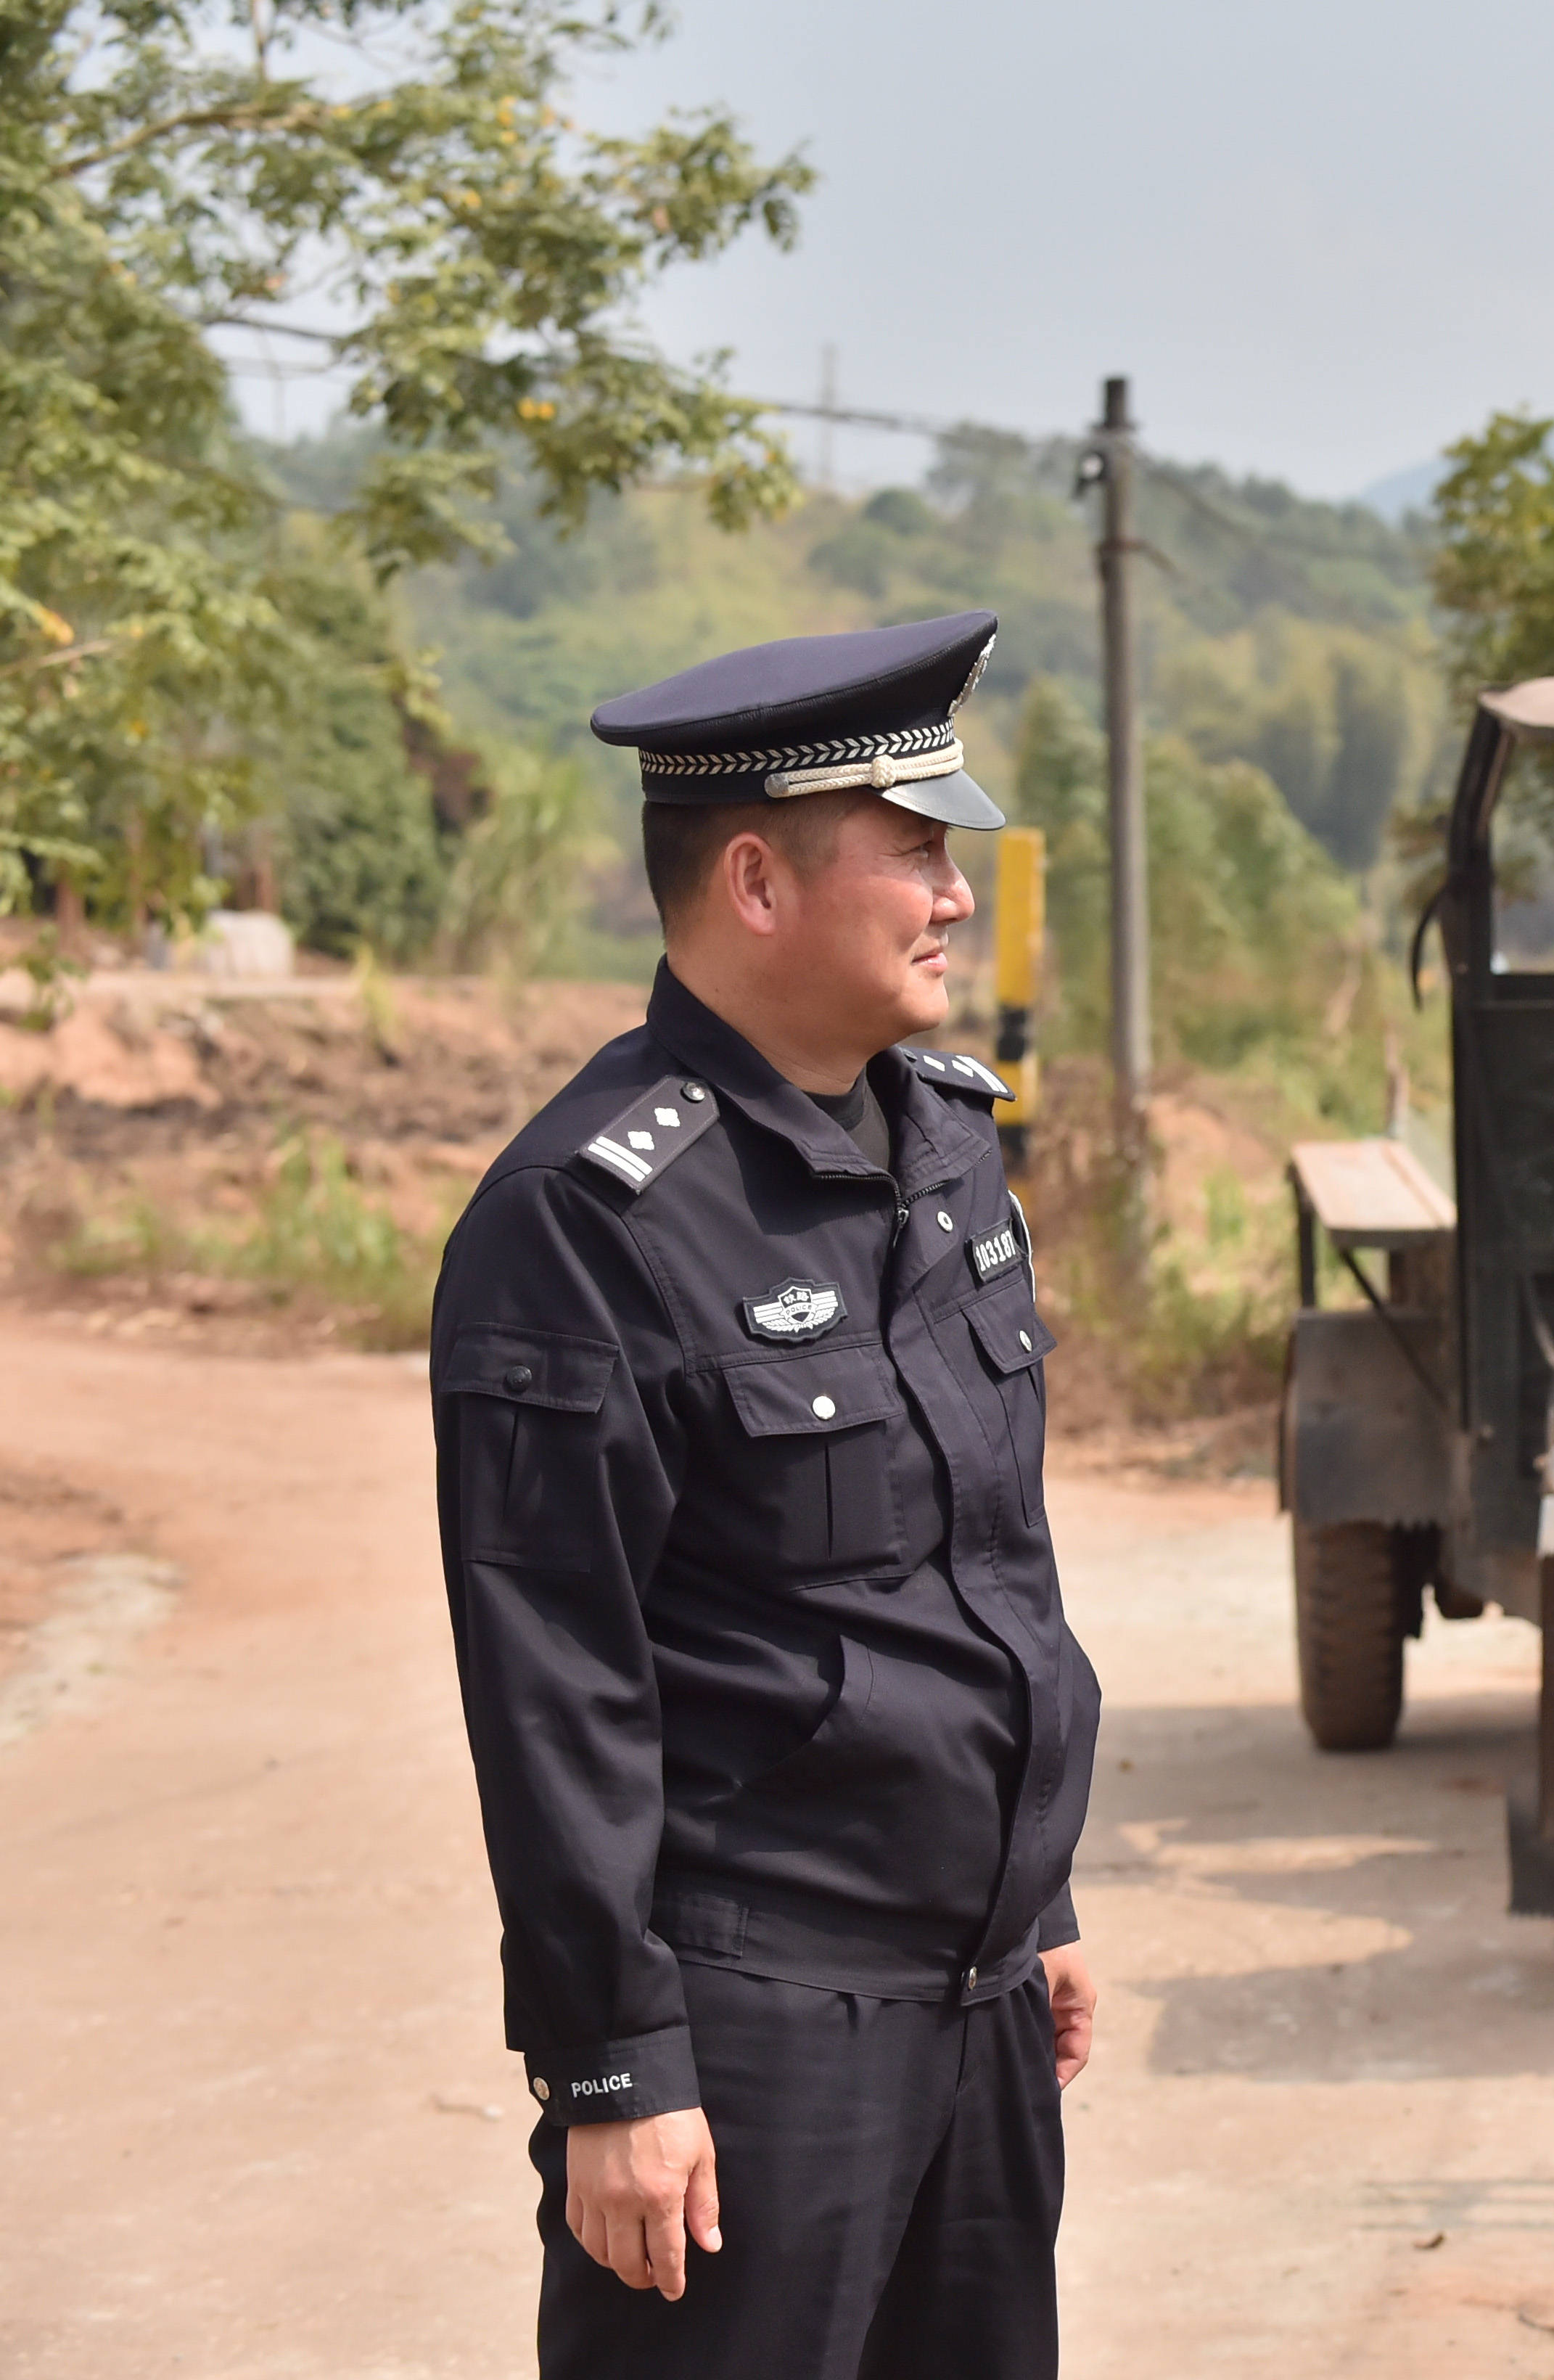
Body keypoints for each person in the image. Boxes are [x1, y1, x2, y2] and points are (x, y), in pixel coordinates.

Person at [429, 610, 1102, 2379]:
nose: (955, 892)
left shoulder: (944, 1139)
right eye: (915, 847)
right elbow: (554, 1678)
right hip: (757, 2023)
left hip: (977, 2001)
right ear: (755, 877)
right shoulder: (586, 1218)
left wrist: (1035, 1902)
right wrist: (614, 2068)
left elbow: (986, 1563)